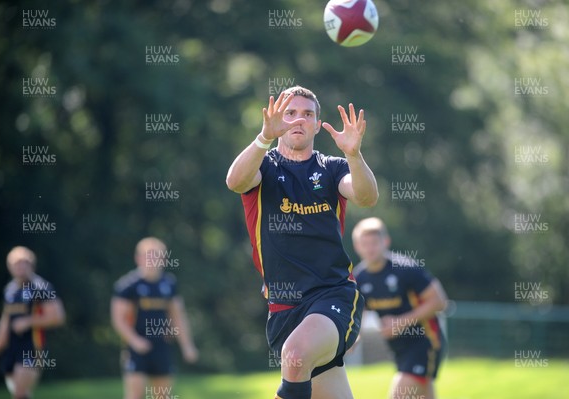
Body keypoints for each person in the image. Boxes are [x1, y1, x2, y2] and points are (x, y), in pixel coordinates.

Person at [226, 86, 379, 399]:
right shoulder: (264, 167)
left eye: (307, 114)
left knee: (295, 356)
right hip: (283, 306)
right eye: (291, 113)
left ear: (317, 124)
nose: (299, 119)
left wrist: (354, 154)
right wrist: (262, 138)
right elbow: (235, 181)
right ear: (277, 120)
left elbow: (367, 196)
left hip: (333, 293)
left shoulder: (332, 168)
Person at [351, 217, 447, 399]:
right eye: (365, 244)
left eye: (374, 243)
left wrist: (400, 322)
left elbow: (440, 301)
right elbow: (358, 316)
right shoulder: (359, 277)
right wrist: (353, 339)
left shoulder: (405, 268)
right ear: (357, 246)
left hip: (425, 341)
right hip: (399, 349)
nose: (370, 248)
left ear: (385, 241)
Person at [111, 237, 198, 399]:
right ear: (138, 258)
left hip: (161, 347)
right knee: (135, 395)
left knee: (163, 396)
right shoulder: (128, 285)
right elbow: (118, 320)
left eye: (158, 256)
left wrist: (187, 346)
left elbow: (178, 316)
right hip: (136, 349)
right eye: (149, 255)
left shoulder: (169, 283)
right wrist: (135, 341)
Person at [0, 246, 66, 399]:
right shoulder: (10, 290)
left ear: (31, 264)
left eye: (24, 263)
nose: (20, 267)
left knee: (19, 392)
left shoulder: (41, 287)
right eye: (16, 264)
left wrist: (28, 321)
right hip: (11, 348)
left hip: (32, 347)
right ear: (10, 266)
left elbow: (58, 316)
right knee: (20, 393)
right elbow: (5, 321)